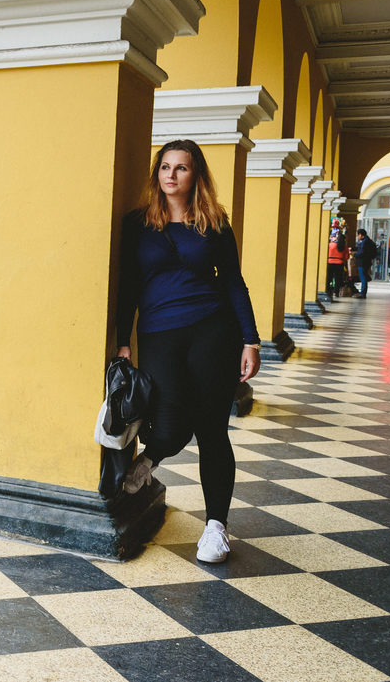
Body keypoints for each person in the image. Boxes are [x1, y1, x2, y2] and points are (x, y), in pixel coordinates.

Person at [116, 139, 261, 564]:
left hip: (213, 331)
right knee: (169, 424)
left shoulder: (213, 222)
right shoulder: (137, 224)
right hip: (160, 333)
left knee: (213, 430)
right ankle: (152, 457)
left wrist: (250, 340)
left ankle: (216, 527)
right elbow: (128, 286)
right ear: (156, 173)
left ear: (195, 175)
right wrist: (124, 340)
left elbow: (234, 282)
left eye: (181, 168)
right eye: (165, 167)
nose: (171, 175)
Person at [326, 221, 348, 302]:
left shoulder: (330, 245)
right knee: (338, 279)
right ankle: (336, 292)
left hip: (330, 262)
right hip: (340, 263)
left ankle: (328, 291)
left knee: (329, 278)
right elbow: (346, 257)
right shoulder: (344, 247)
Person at [352, 228, 377, 299]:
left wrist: (355, 255)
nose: (358, 237)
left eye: (358, 235)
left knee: (363, 278)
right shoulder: (368, 241)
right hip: (366, 262)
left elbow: (362, 252)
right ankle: (363, 292)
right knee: (364, 277)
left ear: (361, 235)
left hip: (363, 262)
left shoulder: (364, 242)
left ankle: (363, 293)